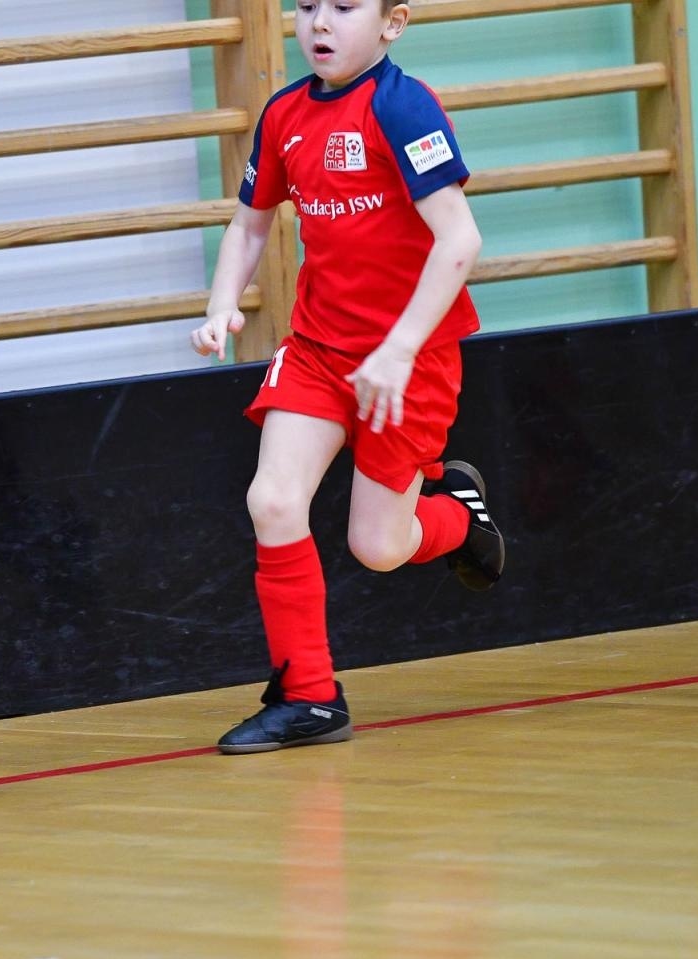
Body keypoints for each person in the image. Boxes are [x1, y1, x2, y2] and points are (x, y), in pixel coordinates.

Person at [189, 0, 504, 754]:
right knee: (272, 500)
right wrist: (221, 302)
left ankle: (458, 515)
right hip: (320, 350)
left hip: (410, 362)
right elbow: (251, 222)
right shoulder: (284, 113)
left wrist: (398, 348)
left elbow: (459, 239)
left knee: (379, 546)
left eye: (343, 7)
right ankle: (310, 697)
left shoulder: (402, 107)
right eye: (305, 6)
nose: (318, 23)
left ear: (393, 24)